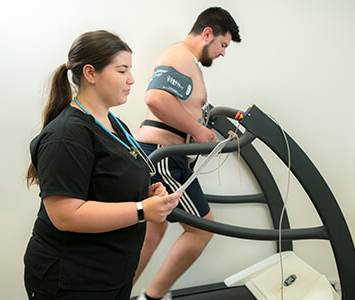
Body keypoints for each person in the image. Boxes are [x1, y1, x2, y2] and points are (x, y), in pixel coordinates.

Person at [23, 30, 181, 300]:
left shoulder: (113, 123)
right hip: (74, 279)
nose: (131, 79)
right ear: (90, 73)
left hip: (113, 273)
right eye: (122, 71)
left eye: (130, 70)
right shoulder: (66, 136)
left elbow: (108, 184)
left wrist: (147, 193)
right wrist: (142, 209)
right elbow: (65, 215)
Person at [133, 7, 241, 300]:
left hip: (163, 154)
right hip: (164, 155)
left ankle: (117, 294)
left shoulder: (184, 60)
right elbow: (155, 98)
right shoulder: (179, 55)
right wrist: (197, 129)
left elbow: (173, 102)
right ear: (207, 33)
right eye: (222, 45)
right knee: (202, 231)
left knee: (152, 233)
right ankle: (151, 297)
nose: (222, 53)